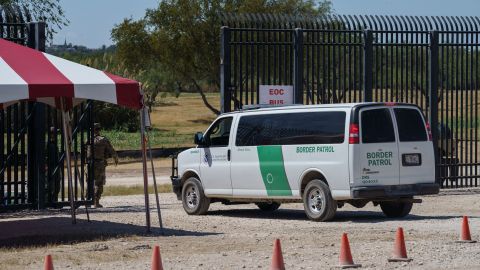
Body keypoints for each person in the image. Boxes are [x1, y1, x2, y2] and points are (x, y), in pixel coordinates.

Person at [87, 123, 118, 208]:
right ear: (99, 129)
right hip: (100, 163)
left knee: (89, 182)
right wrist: (115, 158)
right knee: (99, 183)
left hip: (89, 163)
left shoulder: (88, 139)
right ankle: (96, 202)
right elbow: (111, 150)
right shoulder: (103, 139)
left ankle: (88, 201)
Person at [47, 127, 61, 204]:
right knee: (52, 185)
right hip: (51, 167)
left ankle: (55, 201)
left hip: (56, 167)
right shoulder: (49, 144)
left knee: (57, 185)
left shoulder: (54, 143)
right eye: (55, 133)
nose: (56, 135)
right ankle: (51, 201)